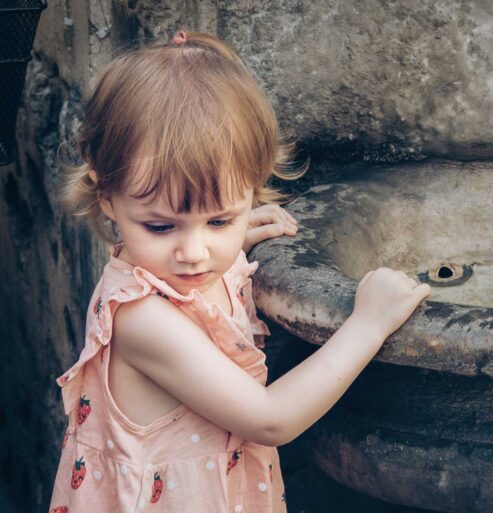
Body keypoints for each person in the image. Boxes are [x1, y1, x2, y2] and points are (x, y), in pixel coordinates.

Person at [49, 30, 430, 513]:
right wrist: (368, 324)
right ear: (106, 197)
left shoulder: (190, 264)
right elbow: (270, 420)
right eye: (162, 226)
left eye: (218, 219)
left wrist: (237, 234)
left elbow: (198, 246)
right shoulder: (141, 318)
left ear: (253, 189)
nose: (195, 253)